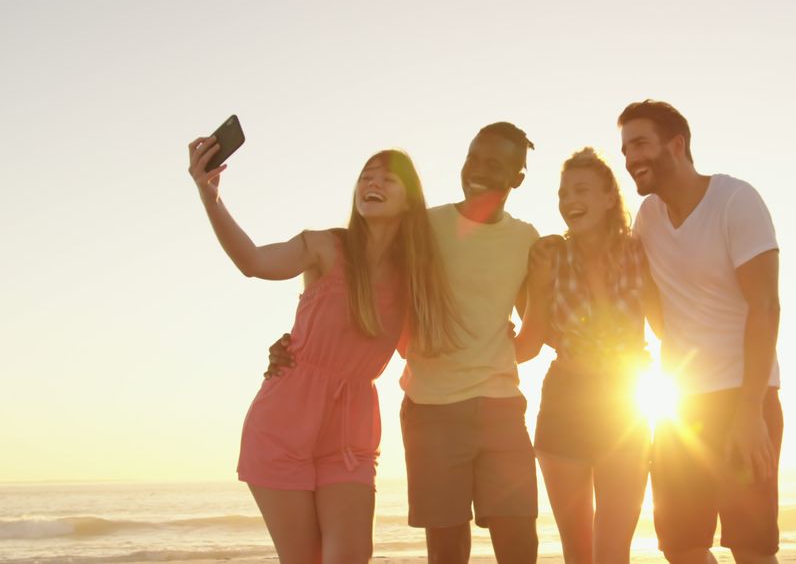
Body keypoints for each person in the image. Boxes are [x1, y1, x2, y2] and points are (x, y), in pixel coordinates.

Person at [267, 123, 542, 564]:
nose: (478, 170)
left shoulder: (526, 240)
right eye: (473, 158)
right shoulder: (422, 228)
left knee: (520, 545)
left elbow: (533, 335)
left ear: (517, 178)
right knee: (447, 551)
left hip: (501, 406)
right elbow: (354, 283)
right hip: (431, 409)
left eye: (495, 163)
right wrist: (296, 343)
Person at [187, 140, 459, 564]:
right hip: (283, 421)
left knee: (351, 557)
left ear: (409, 201)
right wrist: (210, 195)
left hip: (350, 429)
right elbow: (253, 261)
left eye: (387, 179)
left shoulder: (414, 276)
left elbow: (426, 345)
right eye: (367, 177)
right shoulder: (323, 246)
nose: (373, 184)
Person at [619, 100, 784, 564]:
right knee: (680, 544)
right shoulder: (647, 217)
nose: (631, 158)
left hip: (743, 397)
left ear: (678, 144)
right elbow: (659, 313)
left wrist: (750, 413)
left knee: (750, 548)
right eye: (626, 148)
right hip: (681, 405)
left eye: (641, 143)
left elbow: (766, 307)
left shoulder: (735, 200)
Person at [514, 147, 663, 563]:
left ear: (609, 197)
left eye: (581, 190)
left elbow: (668, 325)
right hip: (566, 401)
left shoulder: (639, 252)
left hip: (625, 405)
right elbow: (532, 339)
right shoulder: (549, 257)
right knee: (578, 553)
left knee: (613, 551)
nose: (568, 201)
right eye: (562, 193)